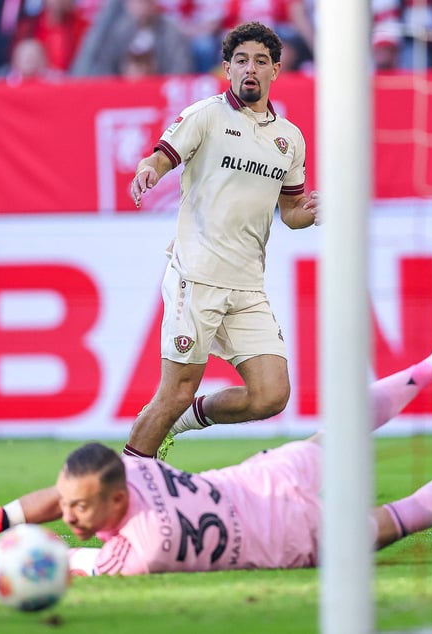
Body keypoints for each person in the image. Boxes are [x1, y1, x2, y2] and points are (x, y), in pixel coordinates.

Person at [0, 334, 432, 576]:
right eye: (72, 509)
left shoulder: (129, 556)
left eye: (80, 510)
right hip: (267, 479)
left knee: (402, 518)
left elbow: (37, 564)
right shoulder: (129, 472)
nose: (68, 519)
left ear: (112, 501)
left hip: (290, 539)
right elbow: (64, 494)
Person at [123, 22, 321, 461]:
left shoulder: (289, 139)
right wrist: (148, 171)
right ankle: (124, 493)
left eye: (261, 61)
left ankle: (185, 418)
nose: (251, 69)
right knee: (172, 391)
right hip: (197, 277)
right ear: (228, 69)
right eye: (241, 60)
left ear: (276, 70)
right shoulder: (206, 115)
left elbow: (290, 214)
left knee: (271, 395)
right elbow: (159, 156)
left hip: (247, 286)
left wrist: (313, 211)